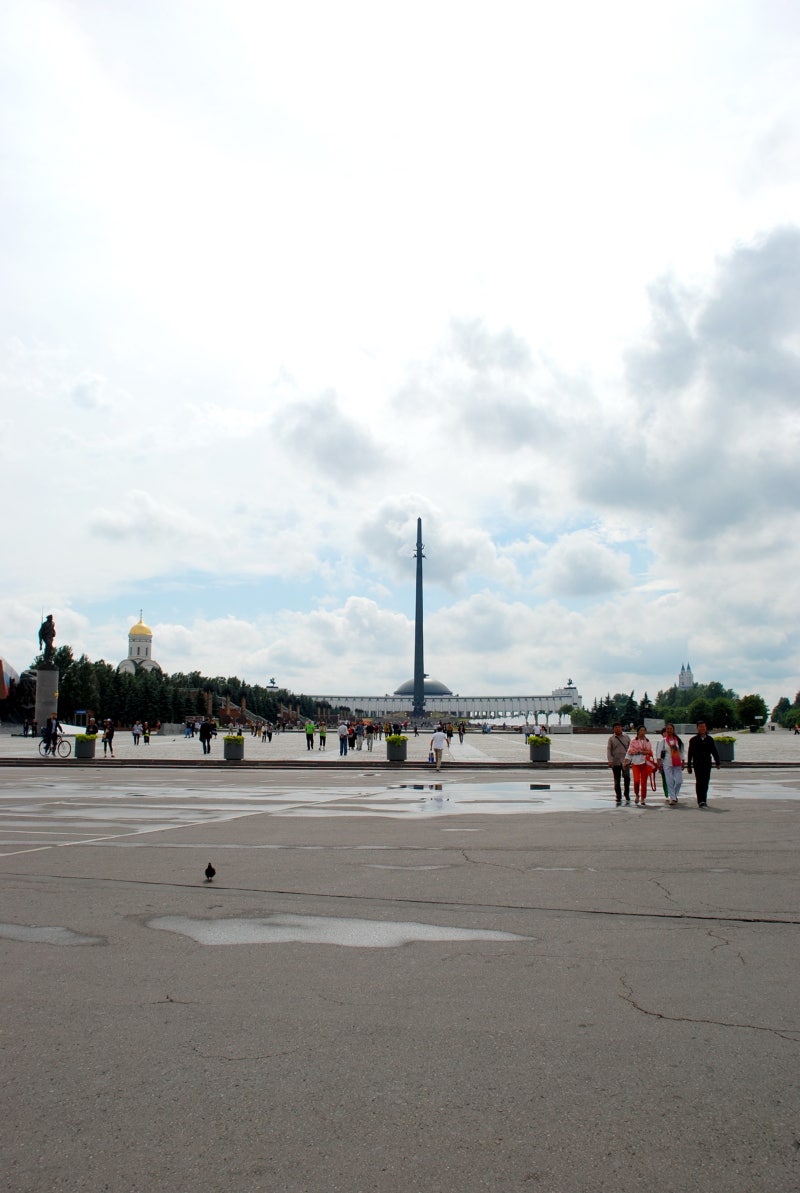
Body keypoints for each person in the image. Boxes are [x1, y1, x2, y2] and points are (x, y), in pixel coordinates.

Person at [687, 720, 721, 808]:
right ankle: (700, 800)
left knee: (706, 782)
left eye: (703, 727)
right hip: (697, 763)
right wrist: (689, 766)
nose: (702, 728)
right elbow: (690, 753)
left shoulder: (710, 739)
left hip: (707, 763)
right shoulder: (693, 740)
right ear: (697, 728)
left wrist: (717, 762)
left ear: (706, 728)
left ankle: (704, 799)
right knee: (699, 782)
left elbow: (714, 751)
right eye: (700, 727)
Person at [625, 725, 655, 806]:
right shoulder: (633, 741)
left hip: (645, 763)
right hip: (636, 763)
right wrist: (626, 761)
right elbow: (630, 752)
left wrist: (647, 752)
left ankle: (643, 798)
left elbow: (650, 751)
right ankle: (637, 794)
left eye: (644, 730)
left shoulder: (647, 741)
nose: (642, 732)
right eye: (641, 730)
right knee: (636, 780)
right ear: (638, 731)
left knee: (644, 782)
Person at [658, 723, 685, 805]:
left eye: (671, 729)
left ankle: (674, 795)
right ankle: (672, 798)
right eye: (668, 729)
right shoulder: (663, 741)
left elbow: (682, 751)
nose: (669, 730)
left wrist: (683, 761)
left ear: (673, 730)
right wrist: (659, 763)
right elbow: (659, 753)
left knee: (679, 781)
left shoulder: (678, 740)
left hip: (677, 763)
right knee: (669, 781)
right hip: (667, 763)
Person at [606, 722, 631, 805]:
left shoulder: (627, 737)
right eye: (616, 727)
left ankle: (626, 794)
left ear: (621, 728)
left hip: (625, 761)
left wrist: (631, 759)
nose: (618, 729)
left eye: (619, 727)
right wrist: (610, 760)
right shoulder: (611, 739)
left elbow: (631, 748)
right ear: (613, 729)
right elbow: (609, 750)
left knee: (627, 778)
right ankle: (618, 796)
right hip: (615, 762)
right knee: (617, 780)